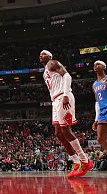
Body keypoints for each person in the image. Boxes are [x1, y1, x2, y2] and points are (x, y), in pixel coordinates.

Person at [39, 50, 93, 178]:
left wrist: (66, 94)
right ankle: (75, 162)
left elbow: (67, 76)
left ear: (50, 56)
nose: (41, 55)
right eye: (40, 54)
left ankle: (85, 161)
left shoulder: (53, 63)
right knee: (58, 133)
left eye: (44, 53)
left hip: (63, 97)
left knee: (66, 130)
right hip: (55, 100)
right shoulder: (45, 71)